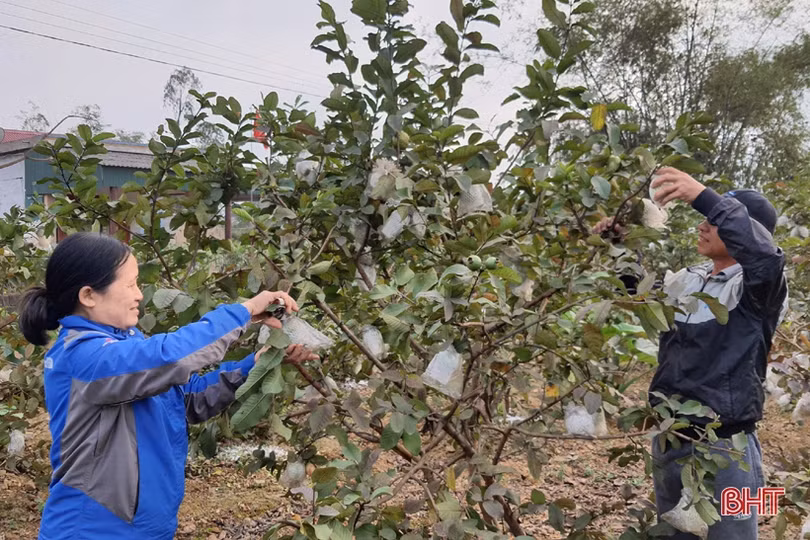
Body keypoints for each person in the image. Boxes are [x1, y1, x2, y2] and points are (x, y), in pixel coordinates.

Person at [18, 232, 318, 539]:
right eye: (130, 284)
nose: (138, 294)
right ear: (89, 295)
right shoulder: (83, 356)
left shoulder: (124, 344)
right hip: (94, 530)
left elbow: (185, 400)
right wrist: (243, 311)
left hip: (145, 528)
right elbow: (172, 357)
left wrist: (256, 363)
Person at [594, 167, 787, 539]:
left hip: (726, 448)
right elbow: (645, 301)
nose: (703, 226)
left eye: (714, 221)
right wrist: (620, 249)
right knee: (676, 533)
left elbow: (764, 258)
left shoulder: (759, 288)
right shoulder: (691, 279)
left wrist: (703, 196)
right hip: (671, 438)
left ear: (745, 233)